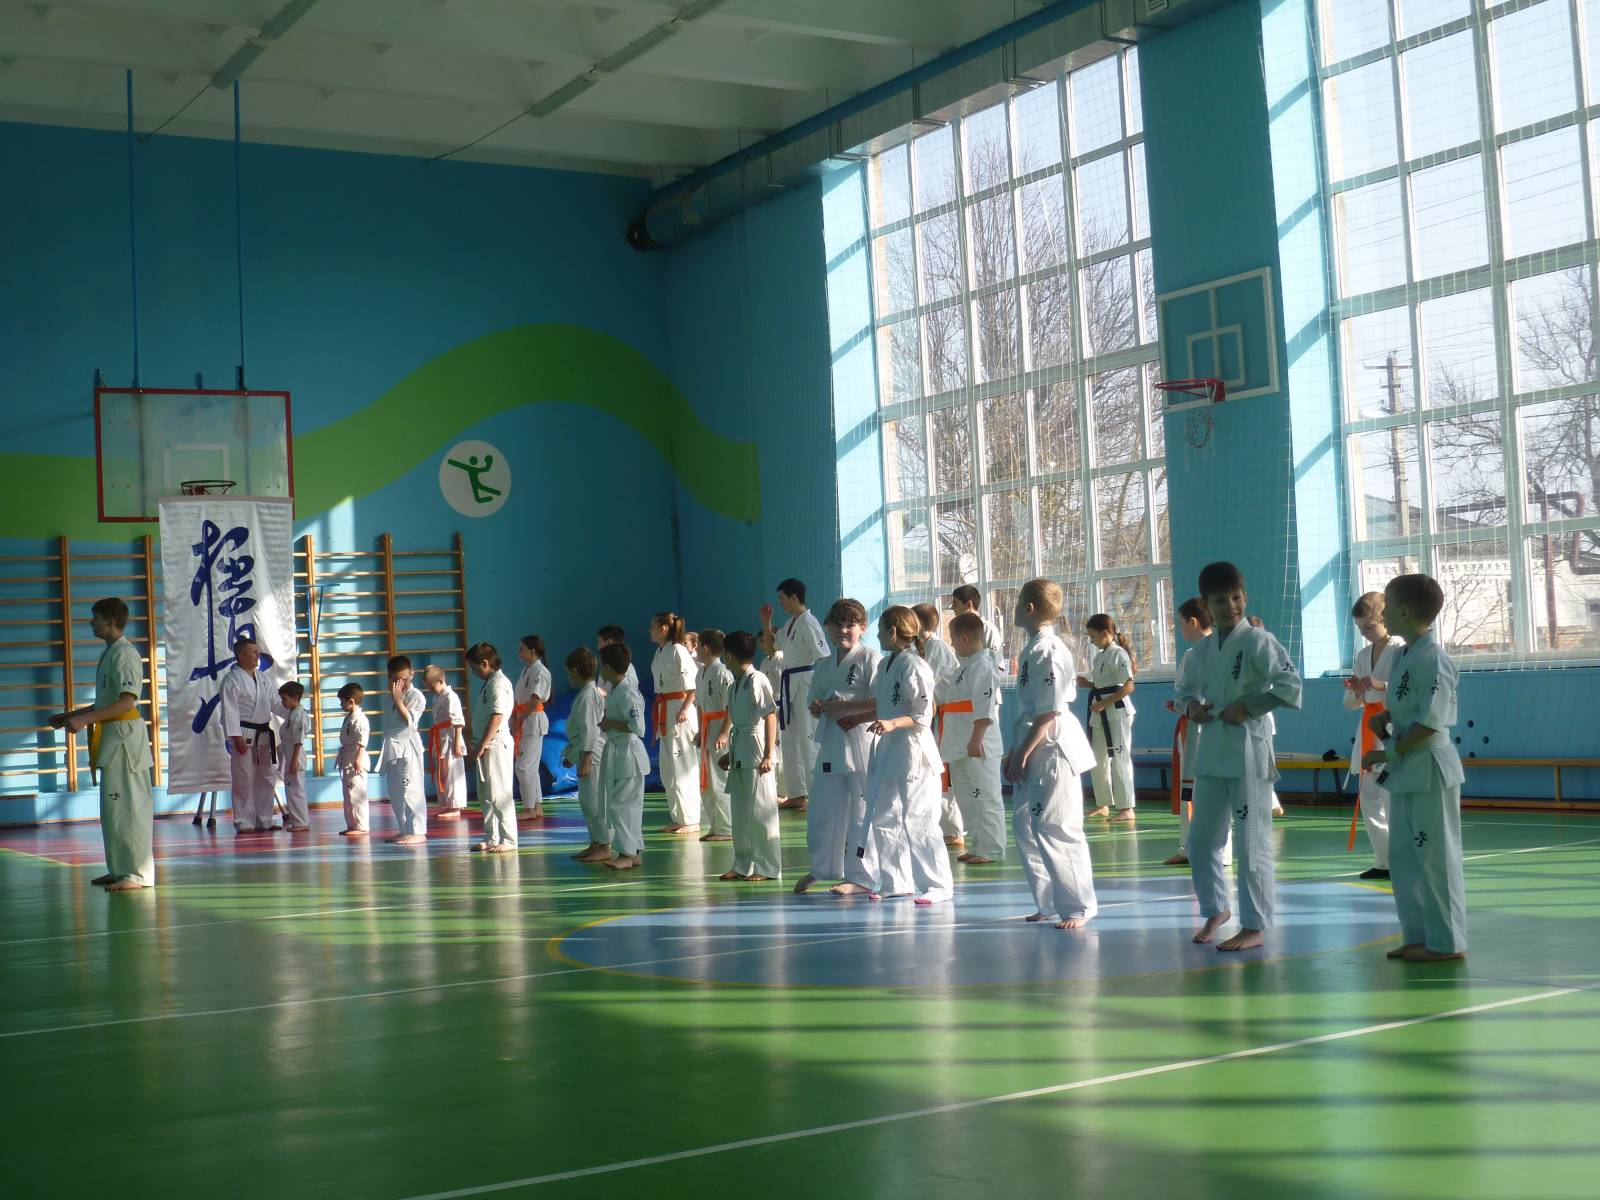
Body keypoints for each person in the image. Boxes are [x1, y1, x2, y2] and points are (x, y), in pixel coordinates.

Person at [1174, 562, 1301, 952]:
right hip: (1212, 751)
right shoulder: (1199, 652)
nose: (1230, 606)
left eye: (1236, 598)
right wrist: (1192, 707)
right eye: (1220, 601)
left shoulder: (1259, 641)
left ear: (1245, 597)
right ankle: (1216, 908)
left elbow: (1290, 685)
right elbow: (1184, 691)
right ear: (1207, 607)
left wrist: (1248, 706)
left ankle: (1255, 925)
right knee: (1200, 841)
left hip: (1247, 751)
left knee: (1250, 843)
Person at [1360, 573, 1466, 962]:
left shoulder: (1435, 660)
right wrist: (1386, 716)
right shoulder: (1404, 655)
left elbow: (1430, 723)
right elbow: (1410, 707)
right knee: (1404, 856)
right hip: (1407, 769)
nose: (1383, 611)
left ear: (1403, 611)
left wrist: (1386, 753)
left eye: (1387, 605)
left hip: (1430, 768)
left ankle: (1448, 942)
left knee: (1436, 858)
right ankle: (1418, 935)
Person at [1004, 579, 1098, 929]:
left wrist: (1021, 754)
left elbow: (1050, 710)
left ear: (1029, 608)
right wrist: (1016, 750)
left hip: (1053, 745)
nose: (1015, 607)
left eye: (1018, 602)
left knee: (1057, 826)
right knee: (1025, 826)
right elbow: (1031, 711)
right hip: (1033, 741)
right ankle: (1048, 901)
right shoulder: (1033, 647)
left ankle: (1078, 906)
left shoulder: (1050, 650)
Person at [850, 606, 952, 905]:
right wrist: (862, 718)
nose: (878, 635)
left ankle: (938, 884)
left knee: (919, 818)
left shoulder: (916, 666)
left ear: (892, 632)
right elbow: (883, 707)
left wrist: (892, 723)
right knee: (884, 815)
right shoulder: (885, 665)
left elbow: (923, 715)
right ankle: (896, 881)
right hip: (888, 748)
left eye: (881, 629)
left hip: (913, 750)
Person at [52, 597, 154, 890]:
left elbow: (127, 702)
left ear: (111, 621)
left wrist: (85, 720)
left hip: (125, 740)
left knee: (129, 808)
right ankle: (120, 869)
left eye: (95, 618)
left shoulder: (125, 654)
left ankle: (137, 874)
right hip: (113, 738)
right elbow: (105, 703)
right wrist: (71, 715)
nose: (90, 622)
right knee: (113, 809)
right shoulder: (110, 653)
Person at [794, 599, 879, 894]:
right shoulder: (823, 665)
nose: (843, 630)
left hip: (862, 742)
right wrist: (817, 707)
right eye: (838, 625)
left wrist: (847, 706)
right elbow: (813, 703)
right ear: (828, 628)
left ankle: (862, 877)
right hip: (831, 742)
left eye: (850, 625)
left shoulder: (870, 659)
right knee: (822, 809)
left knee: (862, 812)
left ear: (863, 628)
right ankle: (823, 868)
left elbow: (881, 702)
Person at [1345, 591, 1403, 880]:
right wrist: (1357, 690)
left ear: (1384, 619)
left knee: (1392, 798)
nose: (1364, 633)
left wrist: (1383, 686)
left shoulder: (1401, 649)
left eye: (1369, 626)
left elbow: (1409, 691)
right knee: (1369, 800)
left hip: (1392, 727)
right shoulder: (1361, 656)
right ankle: (1384, 861)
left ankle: (1402, 862)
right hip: (1368, 730)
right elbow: (1349, 704)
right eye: (1360, 628)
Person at [939, 612, 1005, 864]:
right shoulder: (963, 668)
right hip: (959, 742)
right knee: (968, 798)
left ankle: (991, 848)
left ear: (964, 638)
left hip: (977, 743)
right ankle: (978, 844)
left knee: (985, 797)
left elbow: (984, 707)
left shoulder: (984, 666)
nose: (952, 644)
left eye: (953, 639)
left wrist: (976, 739)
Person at [720, 630, 782, 882]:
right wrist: (729, 753)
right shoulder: (735, 683)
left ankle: (768, 866)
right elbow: (739, 722)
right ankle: (742, 862)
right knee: (740, 812)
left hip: (757, 750)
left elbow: (770, 715)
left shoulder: (758, 680)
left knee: (761, 811)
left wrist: (768, 755)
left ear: (729, 655)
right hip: (740, 748)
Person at [761, 578, 828, 812]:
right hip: (789, 683)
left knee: (808, 740)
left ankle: (817, 794)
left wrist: (820, 691)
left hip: (806, 683)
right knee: (789, 740)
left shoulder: (809, 622)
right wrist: (766, 622)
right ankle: (797, 794)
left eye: (782, 597)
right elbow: (771, 647)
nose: (780, 602)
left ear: (794, 597)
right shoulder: (790, 623)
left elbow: (823, 657)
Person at [1163, 598, 1212, 866]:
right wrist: (1181, 705)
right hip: (1211, 725)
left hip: (1198, 728)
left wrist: (1183, 704)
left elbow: (1188, 695)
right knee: (1212, 790)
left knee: (1192, 788)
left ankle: (1192, 848)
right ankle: (1205, 850)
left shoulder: (1194, 655)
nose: (1179, 628)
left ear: (1193, 622)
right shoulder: (1224, 650)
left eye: (1180, 623)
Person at [915, 601, 966, 848]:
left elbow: (924, 686)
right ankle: (947, 827)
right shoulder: (924, 647)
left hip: (946, 718)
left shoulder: (936, 649)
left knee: (944, 774)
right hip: (937, 717)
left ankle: (953, 830)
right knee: (938, 773)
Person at [1078, 613, 1137, 824]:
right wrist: (1087, 684)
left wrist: (1104, 703)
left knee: (1120, 759)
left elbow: (1128, 686)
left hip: (1117, 712)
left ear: (1105, 633)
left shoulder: (1119, 654)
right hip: (1100, 711)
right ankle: (1103, 804)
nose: (1091, 641)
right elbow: (1101, 685)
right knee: (1097, 758)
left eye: (1093, 636)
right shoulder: (1099, 657)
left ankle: (1127, 808)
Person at [220, 634, 279, 834]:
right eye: (254, 652)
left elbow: (275, 702)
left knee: (267, 778)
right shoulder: (232, 680)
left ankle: (265, 820)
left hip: (264, 734)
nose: (258, 655)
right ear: (241, 656)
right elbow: (229, 711)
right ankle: (244, 821)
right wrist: (235, 737)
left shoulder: (263, 677)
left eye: (257, 652)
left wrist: (294, 712)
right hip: (243, 734)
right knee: (243, 779)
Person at [597, 642, 648, 870]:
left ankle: (626, 854)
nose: (600, 670)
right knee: (626, 805)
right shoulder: (616, 689)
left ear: (608, 667)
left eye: (602, 665)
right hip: (619, 752)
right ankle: (633, 852)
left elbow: (639, 727)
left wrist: (610, 723)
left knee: (623, 806)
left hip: (628, 753)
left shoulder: (628, 692)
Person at [650, 611, 701, 835]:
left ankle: (691, 819)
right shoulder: (661, 652)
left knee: (683, 766)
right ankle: (678, 817)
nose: (650, 631)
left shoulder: (679, 650)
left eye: (652, 626)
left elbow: (694, 685)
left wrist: (684, 709)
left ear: (662, 629)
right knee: (668, 769)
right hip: (665, 709)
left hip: (679, 710)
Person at [467, 642, 516, 853]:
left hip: (496, 743)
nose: (474, 672)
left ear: (486, 663)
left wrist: (483, 743)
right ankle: (491, 837)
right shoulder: (490, 682)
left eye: (475, 668)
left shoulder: (500, 683)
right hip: (485, 744)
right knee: (486, 795)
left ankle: (509, 840)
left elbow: (497, 716)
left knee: (500, 793)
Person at [563, 647, 610, 862]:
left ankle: (604, 845)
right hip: (584, 751)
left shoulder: (589, 695)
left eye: (568, 672)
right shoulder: (586, 693)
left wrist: (585, 760)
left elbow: (590, 731)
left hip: (593, 754)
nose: (569, 676)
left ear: (575, 671)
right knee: (586, 801)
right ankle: (595, 842)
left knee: (594, 801)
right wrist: (572, 755)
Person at [379, 655, 428, 845]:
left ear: (412, 674)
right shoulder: (389, 698)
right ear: (389, 678)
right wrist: (395, 698)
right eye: (396, 681)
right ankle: (404, 829)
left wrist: (399, 700)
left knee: (411, 789)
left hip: (408, 747)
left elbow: (410, 721)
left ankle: (418, 831)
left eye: (405, 680)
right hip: (393, 746)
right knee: (396, 791)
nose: (401, 684)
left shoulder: (416, 696)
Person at [693, 629, 734, 844]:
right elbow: (699, 705)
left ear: (706, 648)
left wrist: (724, 733)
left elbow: (730, 706)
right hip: (708, 726)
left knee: (720, 780)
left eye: (697, 645)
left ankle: (726, 828)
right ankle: (715, 826)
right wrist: (700, 730)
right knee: (708, 783)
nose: (695, 649)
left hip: (720, 727)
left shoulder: (723, 672)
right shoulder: (700, 672)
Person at [513, 635, 552, 820]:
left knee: (524, 767)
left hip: (532, 720)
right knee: (530, 767)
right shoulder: (526, 670)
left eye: (522, 648)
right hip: (524, 719)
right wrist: (515, 717)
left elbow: (535, 700)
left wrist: (519, 718)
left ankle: (529, 808)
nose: (519, 652)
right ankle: (536, 807)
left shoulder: (541, 671)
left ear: (532, 651)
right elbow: (520, 698)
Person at [422, 665, 467, 821]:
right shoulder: (439, 697)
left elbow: (458, 721)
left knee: (453, 772)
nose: (430, 690)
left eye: (432, 687)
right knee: (444, 773)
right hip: (440, 737)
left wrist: (456, 743)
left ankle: (455, 807)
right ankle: (449, 804)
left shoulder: (450, 696)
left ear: (441, 681)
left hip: (451, 738)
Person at [336, 682, 370, 837]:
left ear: (351, 701)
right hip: (348, 756)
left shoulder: (360, 718)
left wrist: (359, 759)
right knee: (349, 794)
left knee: (357, 793)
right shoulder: (350, 717)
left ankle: (361, 825)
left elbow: (363, 740)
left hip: (356, 757)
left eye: (342, 701)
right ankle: (352, 824)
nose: (340, 705)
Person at [276, 681, 311, 832]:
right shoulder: (291, 714)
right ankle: (297, 821)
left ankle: (302, 822)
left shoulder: (299, 716)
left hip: (295, 757)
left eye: (284, 698)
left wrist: (294, 761)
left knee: (297, 790)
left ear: (295, 698)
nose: (282, 702)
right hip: (289, 755)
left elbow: (298, 741)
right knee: (291, 790)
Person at [757, 629, 787, 804]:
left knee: (781, 750)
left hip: (780, 707)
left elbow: (785, 686)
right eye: (761, 641)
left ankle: (784, 792)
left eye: (765, 640)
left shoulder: (781, 658)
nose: (763, 644)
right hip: (767, 709)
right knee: (771, 748)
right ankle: (773, 788)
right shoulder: (764, 661)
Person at [951, 584, 1005, 670]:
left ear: (969, 604)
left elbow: (998, 668)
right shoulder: (959, 632)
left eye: (955, 603)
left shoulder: (989, 630)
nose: (952, 608)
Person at [595, 625, 638, 696]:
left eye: (599, 642)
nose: (598, 646)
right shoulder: (605, 666)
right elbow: (601, 693)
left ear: (609, 642)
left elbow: (629, 695)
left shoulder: (627, 670)